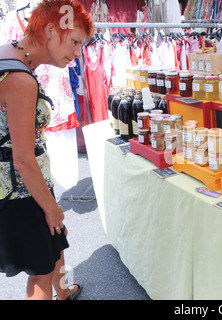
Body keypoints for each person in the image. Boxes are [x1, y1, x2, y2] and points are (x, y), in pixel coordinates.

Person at [0, 0, 94, 300]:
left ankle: (63, 291)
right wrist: (51, 208)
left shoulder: (10, 52)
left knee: (55, 239)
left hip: (26, 181)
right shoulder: (20, 78)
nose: (78, 53)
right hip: (21, 189)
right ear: (51, 30)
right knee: (40, 270)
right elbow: (24, 160)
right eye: (75, 42)